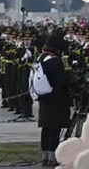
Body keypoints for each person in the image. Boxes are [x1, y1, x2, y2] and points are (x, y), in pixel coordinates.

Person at [37, 32, 71, 167]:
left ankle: (45, 156)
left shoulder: (41, 58)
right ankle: (53, 157)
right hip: (56, 100)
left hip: (44, 99)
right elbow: (61, 81)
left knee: (45, 128)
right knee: (54, 129)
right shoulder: (55, 61)